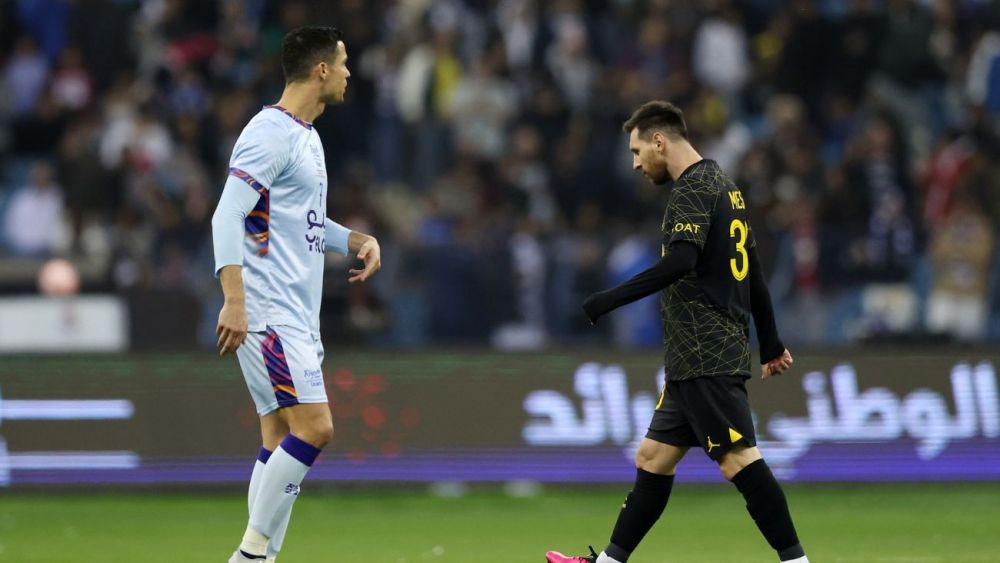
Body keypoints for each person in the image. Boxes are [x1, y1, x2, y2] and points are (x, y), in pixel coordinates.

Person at [546, 101, 806, 563]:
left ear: (659, 141)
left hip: (706, 352)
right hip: (694, 358)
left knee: (737, 459)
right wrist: (769, 342)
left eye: (636, 149)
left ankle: (797, 562)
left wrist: (606, 300)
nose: (635, 163)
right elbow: (755, 274)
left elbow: (681, 261)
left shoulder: (691, 190)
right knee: (652, 457)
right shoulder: (728, 189)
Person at [211, 26, 381, 563]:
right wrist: (234, 300)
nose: (351, 73)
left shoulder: (306, 135)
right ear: (322, 70)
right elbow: (227, 214)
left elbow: (300, 220)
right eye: (345, 62)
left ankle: (261, 557)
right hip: (267, 312)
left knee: (277, 435)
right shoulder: (268, 132)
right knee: (316, 427)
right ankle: (251, 554)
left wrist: (351, 238)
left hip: (294, 315)